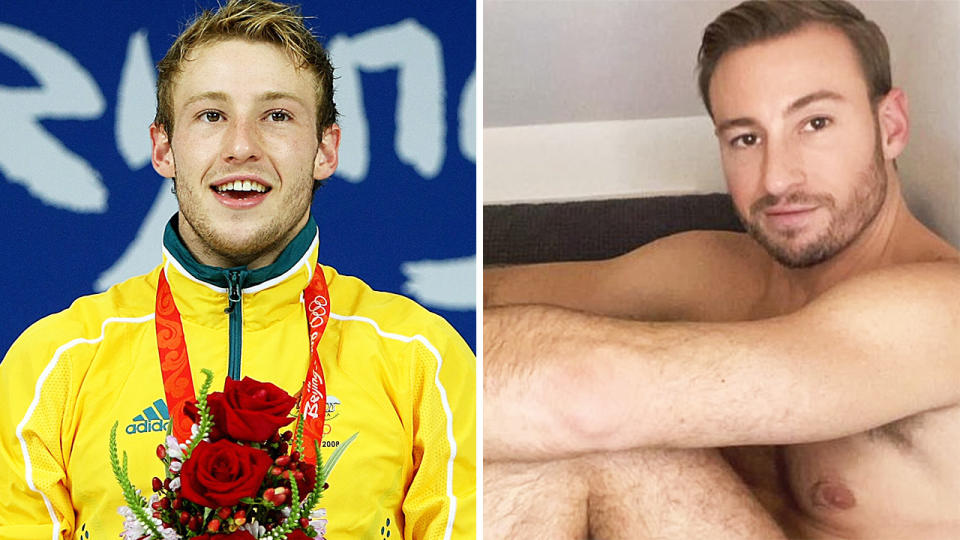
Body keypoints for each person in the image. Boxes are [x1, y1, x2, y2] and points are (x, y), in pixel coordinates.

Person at [484, 1, 960, 538]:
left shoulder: (943, 310)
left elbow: (585, 392)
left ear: (891, 126)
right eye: (745, 138)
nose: (777, 178)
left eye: (815, 123)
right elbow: (492, 288)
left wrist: (379, 364)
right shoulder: (711, 270)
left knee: (622, 454)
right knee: (536, 464)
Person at [0, 1, 476, 539]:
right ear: (163, 149)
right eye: (211, 115)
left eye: (277, 116)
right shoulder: (54, 365)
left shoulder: (421, 360)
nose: (241, 147)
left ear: (325, 148)